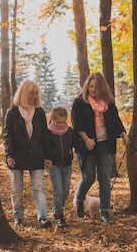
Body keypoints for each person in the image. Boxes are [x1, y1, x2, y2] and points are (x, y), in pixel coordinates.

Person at [71, 72, 129, 224]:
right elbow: (77, 125)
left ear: (102, 88)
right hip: (87, 145)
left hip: (105, 144)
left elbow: (116, 122)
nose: (93, 90)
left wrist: (123, 135)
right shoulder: (80, 103)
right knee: (88, 177)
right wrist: (86, 139)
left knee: (104, 178)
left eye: (96, 87)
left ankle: (104, 212)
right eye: (90, 86)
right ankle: (79, 200)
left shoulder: (109, 104)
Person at [3, 80, 53, 229]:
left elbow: (45, 135)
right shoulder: (12, 112)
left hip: (36, 154)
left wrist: (48, 156)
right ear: (24, 93)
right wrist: (9, 155)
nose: (33, 96)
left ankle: (42, 218)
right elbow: (8, 136)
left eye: (35, 94)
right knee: (16, 189)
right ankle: (18, 217)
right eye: (31, 93)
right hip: (17, 155)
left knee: (39, 188)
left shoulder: (39, 112)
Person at [46, 106, 83, 228]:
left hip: (67, 165)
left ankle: (57, 208)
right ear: (53, 120)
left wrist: (85, 144)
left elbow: (76, 143)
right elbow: (45, 147)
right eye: (58, 122)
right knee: (58, 191)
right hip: (54, 165)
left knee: (65, 191)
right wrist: (48, 158)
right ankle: (59, 215)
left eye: (63, 122)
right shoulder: (48, 133)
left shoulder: (69, 132)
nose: (61, 125)